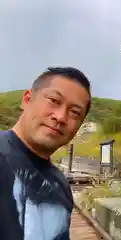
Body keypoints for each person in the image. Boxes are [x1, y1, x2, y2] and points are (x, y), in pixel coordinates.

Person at [0, 67, 91, 240]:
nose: (60, 117)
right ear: (27, 99)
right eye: (54, 100)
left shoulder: (61, 187)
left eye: (75, 112)